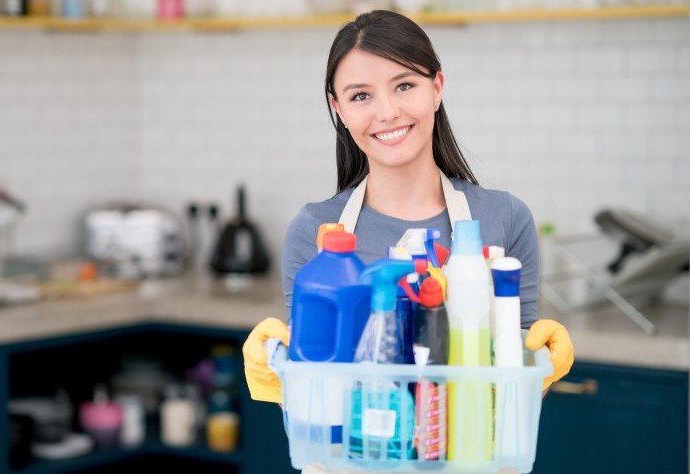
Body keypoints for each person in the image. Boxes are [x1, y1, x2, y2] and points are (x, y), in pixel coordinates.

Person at [242, 9, 574, 472]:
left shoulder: (504, 217)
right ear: (338, 109)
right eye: (361, 95)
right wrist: (283, 371)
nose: (387, 112)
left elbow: (509, 397)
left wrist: (534, 363)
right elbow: (317, 409)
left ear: (437, 88)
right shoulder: (317, 232)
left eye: (404, 85)